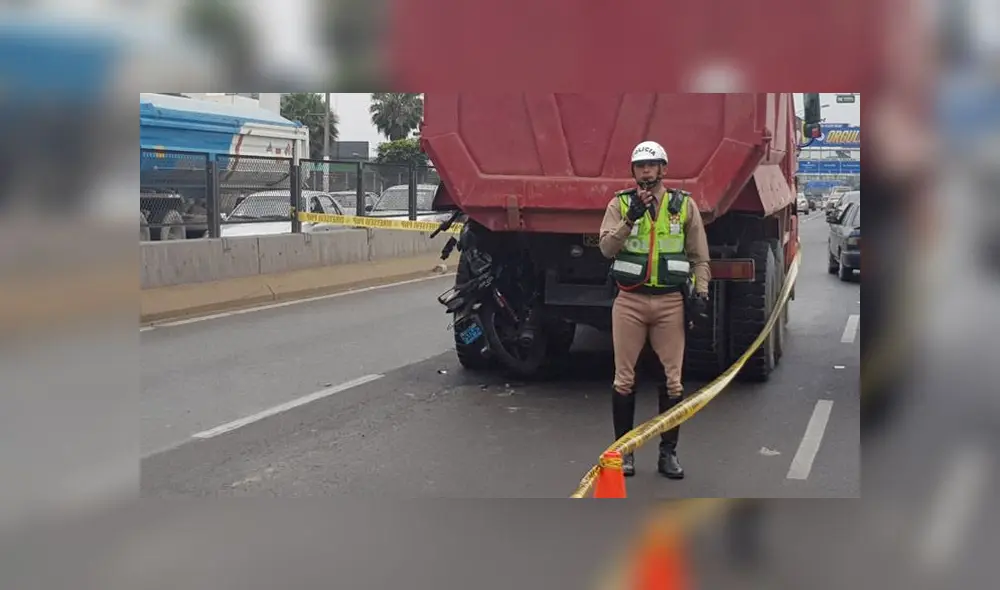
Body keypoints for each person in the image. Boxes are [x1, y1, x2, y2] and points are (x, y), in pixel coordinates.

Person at [598, 140, 711, 479]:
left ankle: (668, 453)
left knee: (673, 382)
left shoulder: (683, 206)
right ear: (633, 171)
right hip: (630, 301)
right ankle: (625, 452)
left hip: (670, 302)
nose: (646, 171)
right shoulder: (619, 205)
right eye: (640, 166)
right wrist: (629, 219)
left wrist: (701, 293)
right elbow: (606, 249)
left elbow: (700, 257)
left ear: (664, 169)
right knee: (624, 379)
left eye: (652, 165)